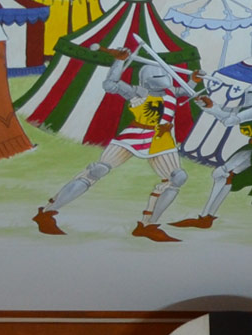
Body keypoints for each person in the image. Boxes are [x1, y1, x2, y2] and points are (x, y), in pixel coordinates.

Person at [34, 50, 197, 242]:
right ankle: (47, 213)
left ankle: (148, 225)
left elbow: (186, 91)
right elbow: (110, 85)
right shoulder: (138, 92)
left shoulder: (171, 93)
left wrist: (194, 80)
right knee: (98, 170)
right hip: (135, 136)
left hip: (162, 140)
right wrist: (119, 62)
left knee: (177, 177)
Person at [168, 76, 252, 234]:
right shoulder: (250, 108)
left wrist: (215, 110)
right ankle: (205, 218)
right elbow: (229, 112)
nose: (250, 96)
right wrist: (210, 106)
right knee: (222, 174)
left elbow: (231, 120)